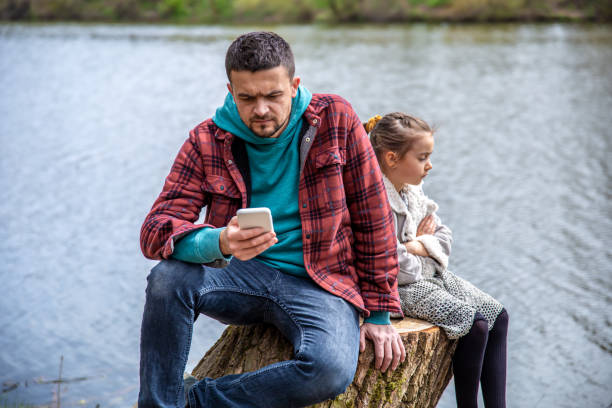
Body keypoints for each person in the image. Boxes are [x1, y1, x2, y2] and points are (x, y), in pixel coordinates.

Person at [138, 32, 406, 408]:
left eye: (273, 96)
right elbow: (155, 230)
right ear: (230, 90)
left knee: (329, 369)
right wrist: (219, 242)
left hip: (322, 282)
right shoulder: (206, 140)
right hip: (239, 276)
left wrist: (379, 312)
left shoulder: (336, 118)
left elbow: (373, 217)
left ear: (294, 86)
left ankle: (192, 400)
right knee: (167, 280)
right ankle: (159, 404)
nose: (261, 109)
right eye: (247, 98)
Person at [364, 113, 509, 408]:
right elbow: (394, 265)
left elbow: (443, 236)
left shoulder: (413, 190)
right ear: (392, 158)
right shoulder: (372, 197)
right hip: (394, 288)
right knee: (474, 324)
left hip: (427, 273)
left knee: (498, 316)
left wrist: (415, 244)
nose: (429, 165)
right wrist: (424, 251)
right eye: (422, 158)